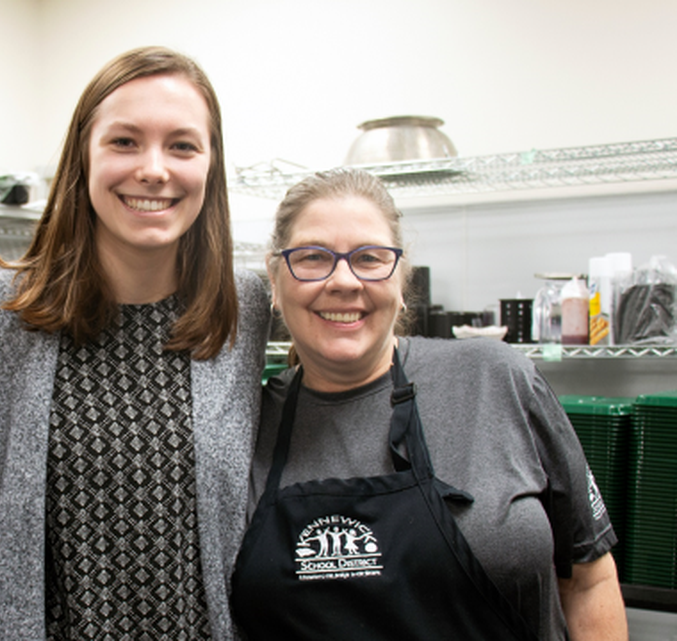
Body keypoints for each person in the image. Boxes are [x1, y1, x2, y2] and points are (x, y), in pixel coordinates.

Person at [0, 46, 271, 640]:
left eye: (182, 145)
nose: (154, 169)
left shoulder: (244, 309)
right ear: (83, 156)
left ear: (211, 164)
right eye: (124, 141)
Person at [230, 167, 627, 640]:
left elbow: (589, 579)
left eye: (370, 258)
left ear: (401, 280)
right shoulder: (248, 426)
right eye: (313, 257)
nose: (344, 280)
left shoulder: (496, 380)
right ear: (275, 282)